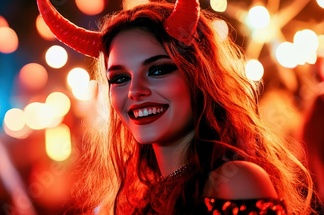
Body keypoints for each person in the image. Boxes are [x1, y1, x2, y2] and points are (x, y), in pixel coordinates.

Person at [37, 0, 317, 214]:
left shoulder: (233, 181)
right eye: (120, 78)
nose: (135, 91)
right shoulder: (134, 196)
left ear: (198, 77)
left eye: (158, 70)